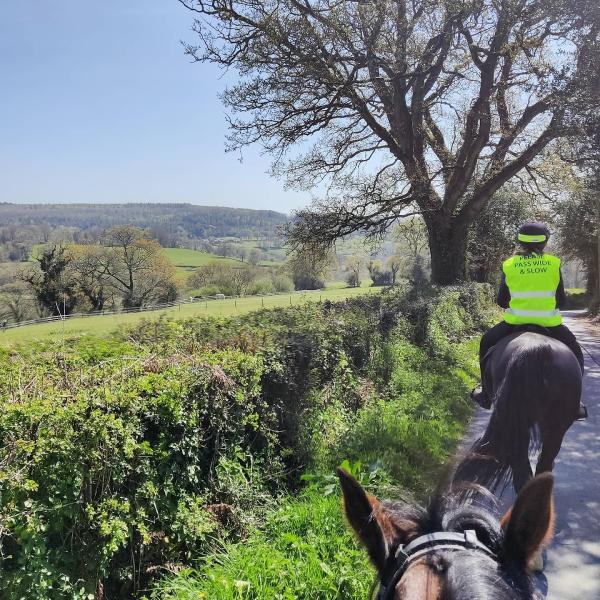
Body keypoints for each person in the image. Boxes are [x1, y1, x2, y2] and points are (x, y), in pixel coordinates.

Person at [471, 221, 586, 417]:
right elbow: (561, 300)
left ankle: (487, 395)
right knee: (575, 351)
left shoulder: (509, 264)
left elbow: (501, 300)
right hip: (550, 323)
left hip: (515, 323)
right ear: (544, 242)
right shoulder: (553, 263)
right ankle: (575, 402)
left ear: (519, 242)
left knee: (486, 342)